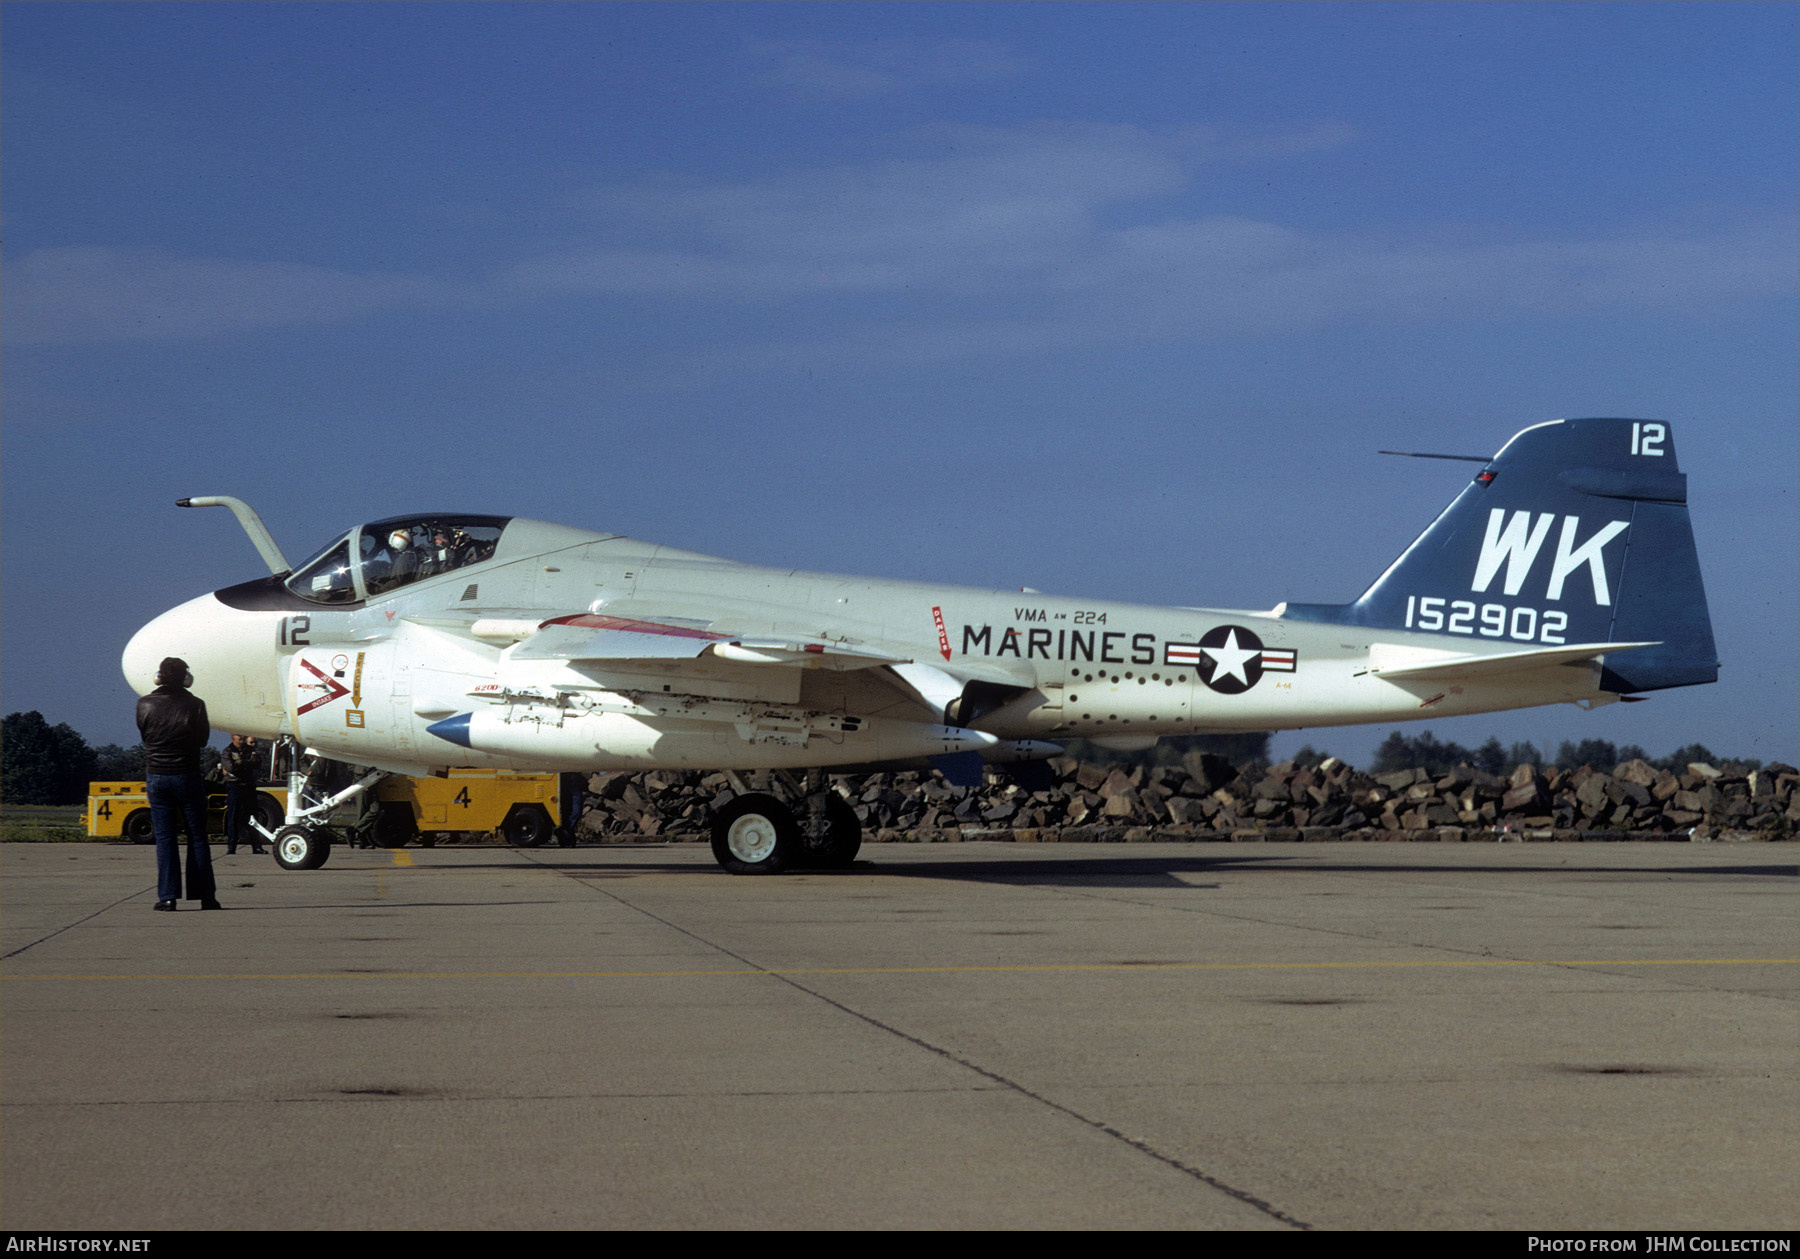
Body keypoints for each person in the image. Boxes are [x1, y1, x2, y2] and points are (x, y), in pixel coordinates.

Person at [135, 656, 220, 911]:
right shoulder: (196, 705)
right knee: (197, 836)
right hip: (187, 775)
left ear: (158, 677)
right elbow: (203, 740)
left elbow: (145, 737)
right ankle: (206, 897)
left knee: (165, 837)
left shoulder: (144, 704)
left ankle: (168, 897)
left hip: (157, 776)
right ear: (186, 679)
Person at [221, 733, 265, 855]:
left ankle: (257, 847)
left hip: (248, 786)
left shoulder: (250, 750)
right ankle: (231, 847)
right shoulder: (227, 751)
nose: (242, 738)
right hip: (234, 786)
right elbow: (231, 767)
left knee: (253, 817)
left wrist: (241, 763)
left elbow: (257, 763)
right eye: (238, 736)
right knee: (233, 817)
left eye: (242, 736)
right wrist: (246, 764)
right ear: (232, 737)